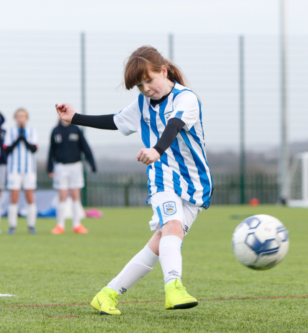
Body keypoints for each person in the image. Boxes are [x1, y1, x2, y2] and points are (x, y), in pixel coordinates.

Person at [55, 46, 213, 315]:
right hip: (162, 178)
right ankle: (174, 286)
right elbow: (116, 121)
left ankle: (108, 294)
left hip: (196, 185)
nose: (146, 89)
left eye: (149, 80)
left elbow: (174, 125)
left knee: (160, 241)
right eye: (140, 86)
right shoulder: (142, 104)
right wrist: (75, 118)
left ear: (163, 71)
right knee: (172, 228)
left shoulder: (186, 98)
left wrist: (156, 149)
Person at [47, 118, 97, 234]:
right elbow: (51, 150)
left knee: (75, 194)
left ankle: (77, 225)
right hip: (60, 167)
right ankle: (60, 225)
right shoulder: (55, 131)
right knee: (62, 195)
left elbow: (85, 148)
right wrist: (49, 168)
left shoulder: (76, 129)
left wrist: (92, 164)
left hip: (76, 166)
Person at [3, 108, 39, 235]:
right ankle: (12, 226)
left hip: (29, 169)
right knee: (14, 197)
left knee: (30, 196)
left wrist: (24, 138)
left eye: (23, 116)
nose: (20, 118)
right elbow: (7, 149)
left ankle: (31, 225)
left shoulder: (31, 130)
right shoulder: (10, 131)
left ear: (27, 118)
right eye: (18, 116)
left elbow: (34, 148)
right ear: (15, 118)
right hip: (14, 169)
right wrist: (18, 138)